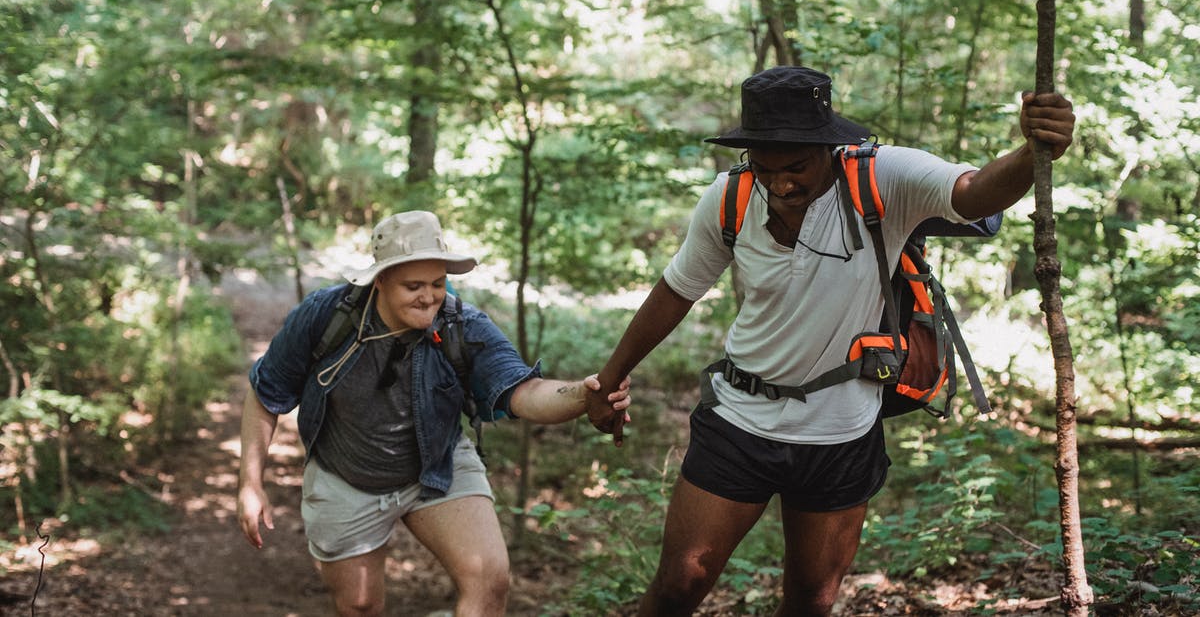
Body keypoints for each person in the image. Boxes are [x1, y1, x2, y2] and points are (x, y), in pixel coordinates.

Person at [584, 66, 1075, 616]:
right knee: (678, 585)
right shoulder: (730, 198)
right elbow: (678, 290)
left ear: (829, 147)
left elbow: (974, 194)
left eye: (796, 168)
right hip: (738, 422)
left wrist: (1033, 148)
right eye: (766, 169)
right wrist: (609, 379)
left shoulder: (883, 177)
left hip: (841, 432)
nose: (782, 184)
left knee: (811, 602)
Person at [237, 210, 631, 617]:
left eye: (438, 283)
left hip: (437, 465)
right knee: (359, 605)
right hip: (346, 476)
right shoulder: (325, 315)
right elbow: (266, 393)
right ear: (381, 279)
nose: (429, 296)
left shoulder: (463, 325)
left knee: (490, 579)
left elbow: (523, 392)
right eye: (413, 285)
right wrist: (251, 483)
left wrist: (584, 394)